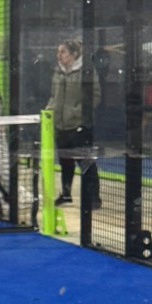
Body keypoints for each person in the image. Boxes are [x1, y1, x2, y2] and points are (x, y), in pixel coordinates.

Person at [49, 39, 100, 214]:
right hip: (60, 126)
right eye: (58, 52)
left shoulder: (87, 71)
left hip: (79, 126)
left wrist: (77, 114)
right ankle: (66, 194)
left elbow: (95, 96)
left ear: (74, 54)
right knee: (65, 163)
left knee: (86, 163)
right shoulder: (57, 72)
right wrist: (50, 111)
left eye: (63, 52)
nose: (59, 56)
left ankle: (94, 198)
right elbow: (53, 95)